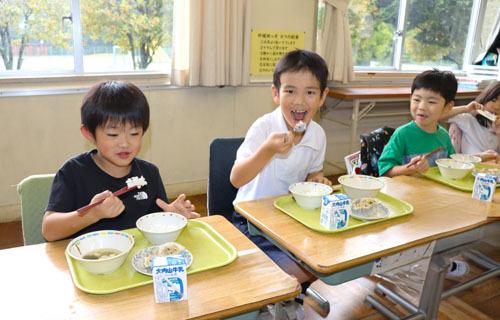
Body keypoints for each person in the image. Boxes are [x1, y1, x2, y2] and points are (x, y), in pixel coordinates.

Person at [230, 49, 332, 311]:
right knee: (293, 273)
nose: (299, 100)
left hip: (291, 220)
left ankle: (282, 293)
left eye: (310, 92)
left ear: (323, 97)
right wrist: (267, 150)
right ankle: (270, 296)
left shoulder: (317, 135)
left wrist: (317, 179)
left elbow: (312, 174)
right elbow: (236, 179)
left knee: (327, 262)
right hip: (251, 222)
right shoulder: (264, 128)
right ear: (276, 94)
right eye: (290, 91)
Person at [42, 81, 199, 241]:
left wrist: (172, 216)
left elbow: (155, 224)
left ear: (143, 132)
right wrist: (93, 213)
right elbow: (49, 230)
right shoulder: (73, 172)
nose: (125, 143)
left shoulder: (149, 173)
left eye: (134, 133)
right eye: (113, 135)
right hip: (90, 259)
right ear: (89, 133)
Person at [378, 69, 495, 178]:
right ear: (410, 99)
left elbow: (453, 164)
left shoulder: (443, 136)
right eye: (417, 100)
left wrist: (478, 157)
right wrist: (411, 169)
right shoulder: (402, 134)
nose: (422, 107)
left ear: (448, 107)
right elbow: (385, 171)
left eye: (431, 102)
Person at [440, 81, 500, 158]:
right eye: (493, 100)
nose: (497, 107)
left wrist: (499, 134)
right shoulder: (468, 118)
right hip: (470, 165)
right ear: (485, 98)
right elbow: (437, 115)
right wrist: (465, 109)